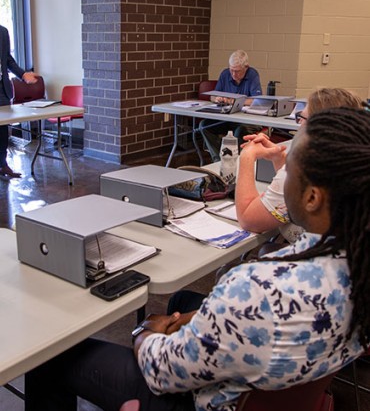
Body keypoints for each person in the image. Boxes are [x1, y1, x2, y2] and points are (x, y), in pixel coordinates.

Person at [25, 107, 370, 411]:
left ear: (312, 197)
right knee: (181, 301)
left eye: (288, 169)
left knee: (48, 359)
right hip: (284, 380)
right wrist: (194, 316)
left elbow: (161, 371)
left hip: (205, 399)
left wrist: (146, 331)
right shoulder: (356, 261)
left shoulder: (255, 288)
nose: (281, 178)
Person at [235, 87, 365, 244]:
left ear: (316, 125)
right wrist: (280, 159)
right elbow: (290, 192)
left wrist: (247, 157)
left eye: (301, 118)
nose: (299, 124)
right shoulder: (356, 159)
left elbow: (248, 220)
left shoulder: (310, 167)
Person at [199, 49, 262, 162]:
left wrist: (232, 101)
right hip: (227, 118)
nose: (233, 74)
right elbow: (212, 96)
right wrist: (217, 99)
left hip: (246, 120)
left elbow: (256, 100)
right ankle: (218, 160)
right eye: (231, 70)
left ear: (246, 67)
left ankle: (235, 163)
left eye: (237, 71)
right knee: (204, 126)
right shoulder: (225, 74)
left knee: (240, 132)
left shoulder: (253, 75)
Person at [0, 24, 39, 178]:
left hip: (1, 88)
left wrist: (23, 74)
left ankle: (3, 165)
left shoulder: (2, 32)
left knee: (2, 130)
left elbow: (8, 60)